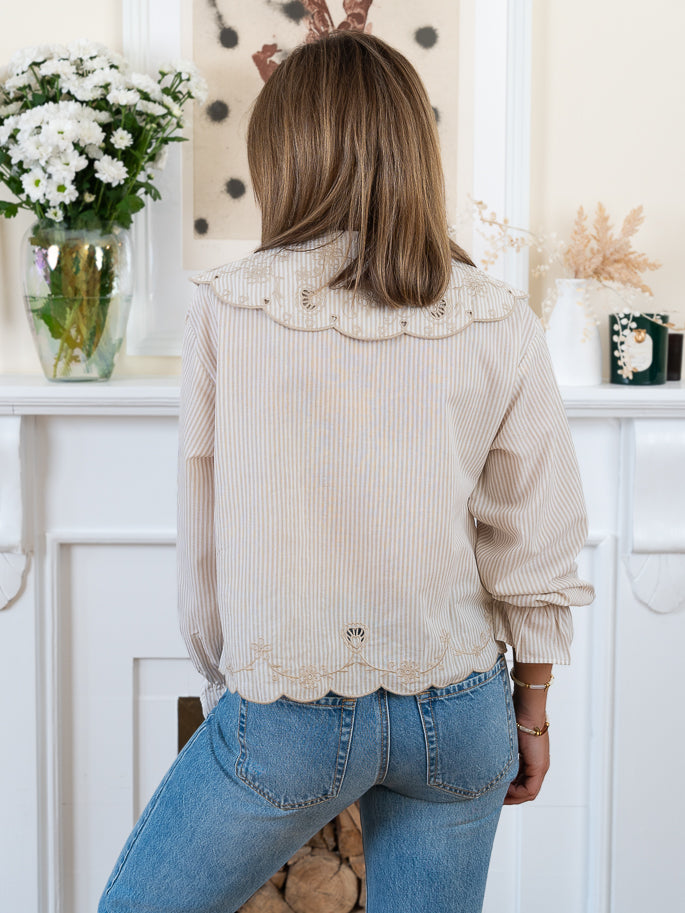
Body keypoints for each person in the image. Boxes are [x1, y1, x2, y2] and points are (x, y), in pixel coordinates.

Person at [98, 30, 595, 913]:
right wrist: (530, 709)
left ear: (284, 153)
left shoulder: (230, 307)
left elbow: (203, 545)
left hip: (289, 706)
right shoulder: (498, 316)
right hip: (460, 712)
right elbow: (536, 535)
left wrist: (227, 686)